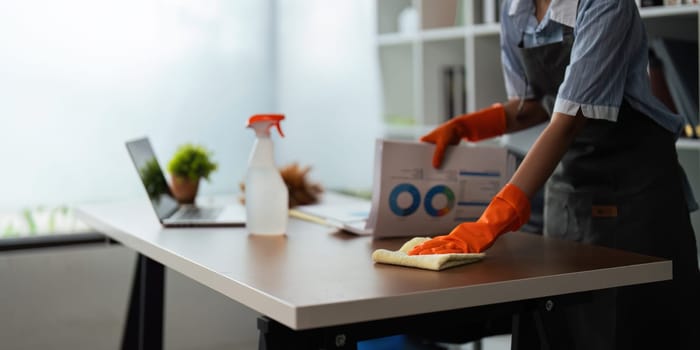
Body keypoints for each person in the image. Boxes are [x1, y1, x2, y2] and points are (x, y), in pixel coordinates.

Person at [408, 0, 700, 349]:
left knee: (634, 325)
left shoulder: (605, 4)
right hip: (569, 192)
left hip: (636, 194)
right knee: (560, 323)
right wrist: (466, 127)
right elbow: (533, 104)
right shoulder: (516, 10)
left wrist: (493, 220)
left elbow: (567, 120)